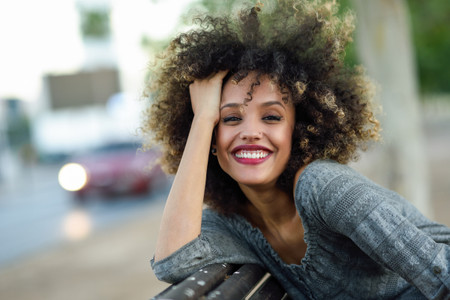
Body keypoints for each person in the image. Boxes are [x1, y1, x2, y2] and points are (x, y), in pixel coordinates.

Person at [143, 0, 450, 298]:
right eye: (231, 118)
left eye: (272, 117)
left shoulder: (325, 188)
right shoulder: (233, 224)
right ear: (211, 138)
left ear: (298, 129)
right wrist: (203, 118)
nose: (250, 132)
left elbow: (441, 274)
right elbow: (173, 262)